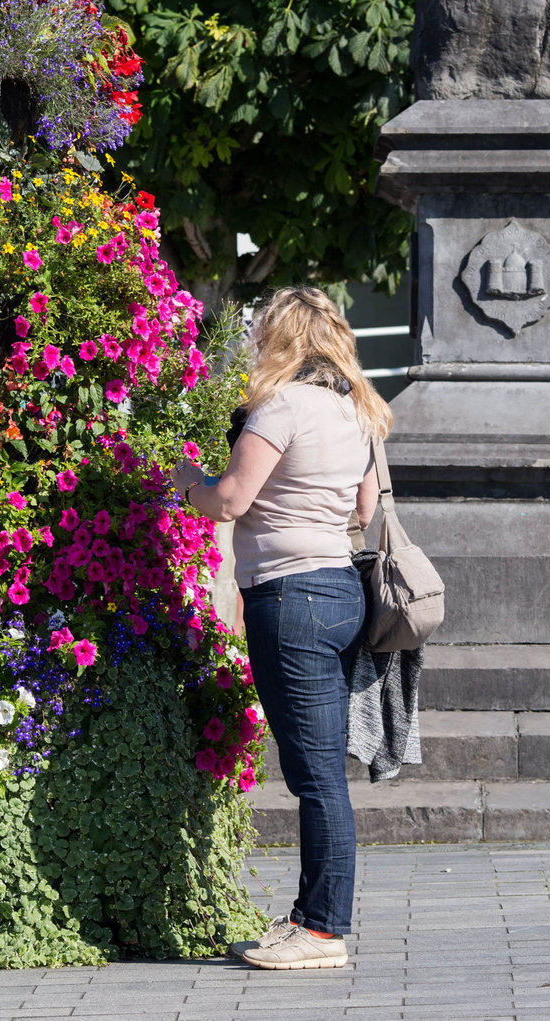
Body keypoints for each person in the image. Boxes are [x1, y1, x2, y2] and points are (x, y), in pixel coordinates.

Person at [171, 285, 393, 971]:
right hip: (336, 590)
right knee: (320, 769)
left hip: (288, 597)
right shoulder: (354, 409)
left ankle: (323, 930)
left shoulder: (282, 405)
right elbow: (362, 508)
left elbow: (230, 498)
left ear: (280, 336)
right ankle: (308, 917)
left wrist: (187, 482)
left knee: (316, 773)